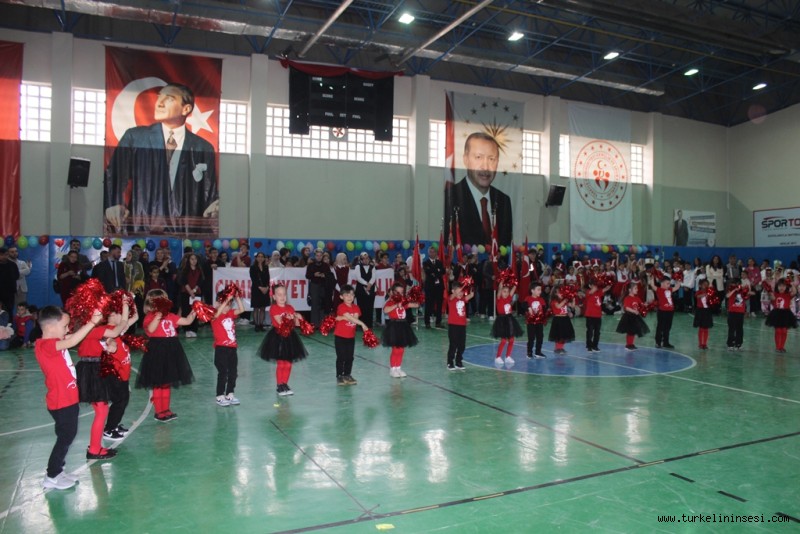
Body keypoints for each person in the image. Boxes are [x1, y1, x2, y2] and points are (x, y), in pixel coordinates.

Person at [104, 83, 218, 235]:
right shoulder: (135, 137)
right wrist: (113, 204)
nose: (159, 103)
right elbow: (115, 175)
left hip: (185, 230)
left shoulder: (203, 147)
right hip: (143, 226)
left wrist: (214, 206)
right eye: (159, 97)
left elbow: (209, 191)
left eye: (169, 98)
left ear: (186, 109)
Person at [35, 305, 102, 490]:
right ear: (50, 327)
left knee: (65, 436)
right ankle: (52, 475)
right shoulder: (45, 345)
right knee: (66, 437)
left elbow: (72, 337)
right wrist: (92, 322)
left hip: (68, 399)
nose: (67, 330)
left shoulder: (55, 341)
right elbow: (72, 340)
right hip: (62, 402)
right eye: (65, 326)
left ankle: (59, 470)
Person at [76, 298, 133, 459]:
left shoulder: (95, 329)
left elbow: (110, 336)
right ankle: (94, 449)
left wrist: (111, 342)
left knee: (102, 410)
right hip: (92, 370)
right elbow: (114, 332)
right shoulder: (90, 329)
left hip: (97, 367)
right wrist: (123, 311)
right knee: (101, 410)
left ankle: (95, 447)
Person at [137, 289, 196, 421]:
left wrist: (195, 310)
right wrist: (158, 315)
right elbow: (150, 330)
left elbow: (187, 321)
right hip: (157, 352)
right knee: (158, 383)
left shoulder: (170, 316)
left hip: (171, 351)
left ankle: (166, 409)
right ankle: (159, 411)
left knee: (167, 382)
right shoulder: (150, 317)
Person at [446, 132, 512, 246]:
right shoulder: (450, 197)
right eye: (478, 157)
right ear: (466, 160)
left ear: (497, 163)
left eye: (491, 159)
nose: (485, 167)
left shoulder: (504, 201)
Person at [259, 284, 307, 396]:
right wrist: (289, 318)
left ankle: (285, 383)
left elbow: (296, 324)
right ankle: (279, 385)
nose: (282, 297)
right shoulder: (274, 308)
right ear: (274, 297)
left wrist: (299, 318)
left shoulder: (290, 308)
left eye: (284, 294)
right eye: (279, 294)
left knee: (288, 363)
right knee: (281, 363)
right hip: (278, 337)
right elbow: (280, 322)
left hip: (290, 337)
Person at [211, 292, 245, 406]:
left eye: (229, 305)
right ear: (217, 303)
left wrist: (237, 297)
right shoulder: (214, 315)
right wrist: (225, 300)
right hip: (221, 349)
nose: (227, 307)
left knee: (233, 372)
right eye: (225, 304)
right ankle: (219, 395)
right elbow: (216, 314)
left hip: (232, 348)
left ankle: (230, 393)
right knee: (223, 372)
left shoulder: (230, 313)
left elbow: (241, 309)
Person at [382, 283, 420, 378]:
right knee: (395, 349)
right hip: (394, 327)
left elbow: (415, 305)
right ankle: (392, 369)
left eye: (402, 292)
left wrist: (417, 297)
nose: (400, 294)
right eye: (397, 292)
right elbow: (385, 310)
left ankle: (398, 368)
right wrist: (396, 305)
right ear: (392, 292)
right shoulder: (390, 302)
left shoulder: (403, 302)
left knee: (401, 349)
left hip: (403, 326)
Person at [333, 284, 367, 385]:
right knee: (341, 357)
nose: (350, 297)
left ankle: (347, 374)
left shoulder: (356, 307)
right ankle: (340, 376)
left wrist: (342, 318)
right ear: (341, 297)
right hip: (340, 336)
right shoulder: (341, 306)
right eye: (347, 295)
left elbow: (354, 318)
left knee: (350, 357)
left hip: (351, 337)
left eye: (352, 295)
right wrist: (362, 324)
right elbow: (351, 318)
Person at [491, 281, 523, 365]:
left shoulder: (508, 298)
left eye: (507, 292)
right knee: (504, 340)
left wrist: (515, 284)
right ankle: (498, 357)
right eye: (504, 291)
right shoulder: (499, 299)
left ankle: (508, 356)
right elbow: (499, 291)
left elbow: (513, 289)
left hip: (510, 320)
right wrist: (500, 286)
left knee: (512, 340)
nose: (506, 293)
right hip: (502, 321)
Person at [446, 280, 473, 370]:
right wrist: (462, 286)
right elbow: (453, 295)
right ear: (453, 291)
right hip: (453, 326)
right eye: (459, 291)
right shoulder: (451, 299)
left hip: (462, 326)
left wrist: (471, 287)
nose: (461, 293)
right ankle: (450, 362)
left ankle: (458, 361)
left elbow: (470, 296)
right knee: (453, 345)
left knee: (462, 345)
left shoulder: (463, 299)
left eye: (462, 291)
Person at [765, 278, 797, 353]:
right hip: (777, 314)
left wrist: (791, 284)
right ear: (777, 286)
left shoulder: (788, 295)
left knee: (784, 331)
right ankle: (778, 347)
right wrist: (769, 290)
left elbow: (795, 292)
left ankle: (782, 347)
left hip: (786, 314)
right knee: (778, 330)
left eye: (783, 286)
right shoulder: (775, 294)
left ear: (786, 287)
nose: (781, 288)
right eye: (780, 286)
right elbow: (772, 297)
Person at [616, 283, 650, 351]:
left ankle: (631, 344)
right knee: (630, 331)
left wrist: (646, 304)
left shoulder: (637, 298)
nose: (637, 290)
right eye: (635, 288)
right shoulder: (627, 298)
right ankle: (628, 345)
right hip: (629, 317)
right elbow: (626, 307)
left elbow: (641, 304)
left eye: (637, 288)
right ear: (630, 290)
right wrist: (634, 311)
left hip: (635, 317)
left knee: (633, 331)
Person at [178, 253, 203, 338]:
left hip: (196, 293)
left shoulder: (199, 270)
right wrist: (190, 292)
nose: (194, 261)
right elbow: (184, 282)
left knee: (195, 311)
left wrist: (194, 290)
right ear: (188, 260)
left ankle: (194, 329)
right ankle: (187, 329)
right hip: (186, 293)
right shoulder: (185, 270)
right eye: (192, 259)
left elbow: (200, 281)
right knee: (186, 311)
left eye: (195, 259)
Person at [583, 278, 610, 352]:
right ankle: (589, 345)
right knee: (590, 332)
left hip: (598, 316)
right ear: (590, 286)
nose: (596, 287)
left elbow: (605, 289)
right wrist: (594, 289)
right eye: (594, 285)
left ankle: (595, 346)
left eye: (596, 285)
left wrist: (608, 284)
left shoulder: (598, 292)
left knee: (597, 332)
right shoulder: (588, 292)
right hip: (590, 316)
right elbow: (591, 292)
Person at [650, 276, 676, 349]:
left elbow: (677, 287)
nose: (669, 285)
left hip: (670, 311)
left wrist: (679, 280)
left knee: (667, 327)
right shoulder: (659, 290)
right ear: (662, 283)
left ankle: (665, 342)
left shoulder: (670, 290)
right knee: (660, 327)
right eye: (667, 283)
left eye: (669, 283)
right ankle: (658, 342)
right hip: (662, 311)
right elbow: (652, 285)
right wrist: (651, 277)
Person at [423, 246, 446, 328]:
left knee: (439, 305)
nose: (432, 253)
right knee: (429, 305)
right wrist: (437, 270)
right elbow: (428, 271)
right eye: (430, 252)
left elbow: (443, 271)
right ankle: (427, 322)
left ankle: (438, 322)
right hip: (430, 287)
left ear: (436, 253)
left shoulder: (439, 262)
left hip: (439, 287)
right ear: (428, 253)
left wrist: (435, 271)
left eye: (434, 252)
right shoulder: (425, 262)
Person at [548, 286, 575, 354]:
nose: (561, 294)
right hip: (558, 319)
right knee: (558, 335)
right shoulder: (554, 301)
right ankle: (558, 348)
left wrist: (573, 299)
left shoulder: (564, 301)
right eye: (559, 292)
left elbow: (572, 306)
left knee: (564, 335)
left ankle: (561, 348)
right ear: (555, 294)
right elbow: (558, 306)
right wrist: (565, 300)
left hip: (565, 319)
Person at [306, 248, 328, 328]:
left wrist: (324, 275)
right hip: (314, 286)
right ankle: (314, 324)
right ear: (315, 256)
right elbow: (307, 276)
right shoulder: (311, 265)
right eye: (317, 255)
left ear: (322, 256)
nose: (319, 257)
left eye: (320, 255)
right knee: (314, 304)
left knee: (322, 304)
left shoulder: (326, 265)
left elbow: (329, 275)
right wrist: (314, 275)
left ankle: (322, 324)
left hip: (323, 286)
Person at [250, 252, 271, 332]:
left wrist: (267, 287)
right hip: (256, 289)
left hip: (265, 290)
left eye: (262, 256)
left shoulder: (266, 267)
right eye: (259, 256)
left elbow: (268, 278)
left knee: (262, 308)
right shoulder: (253, 267)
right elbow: (254, 279)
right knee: (256, 308)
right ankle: (256, 325)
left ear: (264, 258)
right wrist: (260, 288)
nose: (260, 258)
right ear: (256, 258)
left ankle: (261, 325)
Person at [354, 252, 376, 329]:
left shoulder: (372, 267)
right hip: (361, 290)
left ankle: (369, 324)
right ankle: (361, 325)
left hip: (371, 289)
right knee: (361, 307)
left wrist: (370, 284)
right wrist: (367, 284)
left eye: (367, 258)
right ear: (361, 259)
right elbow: (358, 278)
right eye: (364, 258)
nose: (366, 260)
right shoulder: (357, 267)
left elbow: (373, 277)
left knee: (370, 306)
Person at [525, 283, 547, 358]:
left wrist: (544, 315)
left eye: (540, 290)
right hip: (531, 322)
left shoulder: (541, 299)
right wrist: (528, 308)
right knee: (531, 337)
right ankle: (529, 352)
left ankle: (538, 352)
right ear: (532, 291)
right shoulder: (528, 298)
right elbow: (524, 305)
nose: (540, 291)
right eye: (538, 290)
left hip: (539, 321)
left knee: (540, 337)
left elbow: (544, 308)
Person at [726, 280, 748, 351]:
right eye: (735, 284)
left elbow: (749, 294)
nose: (737, 286)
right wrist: (734, 290)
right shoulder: (731, 290)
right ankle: (730, 344)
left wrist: (746, 288)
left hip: (740, 313)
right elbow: (727, 296)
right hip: (732, 312)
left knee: (739, 329)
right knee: (732, 329)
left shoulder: (743, 291)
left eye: (738, 284)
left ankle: (738, 344)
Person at [0, 247, 20, 322]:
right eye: (1, 255)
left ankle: (9, 326)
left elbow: (17, 276)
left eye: (6, 255)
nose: (4, 256)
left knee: (9, 310)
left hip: (9, 293)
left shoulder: (12, 265)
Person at [693, 279, 714, 350]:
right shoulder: (698, 292)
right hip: (700, 311)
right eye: (704, 284)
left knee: (706, 328)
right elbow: (697, 296)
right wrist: (705, 294)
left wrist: (710, 294)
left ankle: (705, 344)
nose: (705, 286)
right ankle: (700, 344)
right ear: (700, 285)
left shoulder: (709, 292)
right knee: (701, 328)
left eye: (707, 284)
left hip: (707, 311)